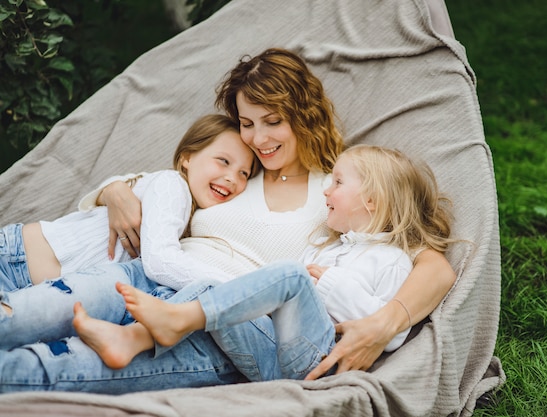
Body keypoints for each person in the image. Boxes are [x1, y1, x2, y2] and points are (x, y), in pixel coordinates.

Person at [0, 48, 456, 394]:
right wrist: (114, 189)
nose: (257, 138)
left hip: (222, 324)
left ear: (303, 113)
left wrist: (385, 323)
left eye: (272, 121)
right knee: (20, 316)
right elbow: (174, 180)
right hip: (142, 274)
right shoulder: (241, 168)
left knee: (48, 366)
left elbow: (430, 264)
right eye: (246, 122)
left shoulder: (343, 190)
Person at [74, 144, 455, 385]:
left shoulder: (392, 260)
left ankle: (167, 324)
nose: (327, 189)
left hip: (313, 362)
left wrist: (330, 287)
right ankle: (131, 338)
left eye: (337, 182)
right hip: (272, 348)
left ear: (371, 200)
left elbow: (395, 332)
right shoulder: (329, 247)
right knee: (214, 290)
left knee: (289, 275)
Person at [0, 113, 258, 349]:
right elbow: (160, 261)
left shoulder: (189, 214)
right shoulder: (172, 185)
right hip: (15, 264)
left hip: (41, 291)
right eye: (223, 161)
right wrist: (247, 290)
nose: (232, 178)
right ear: (187, 158)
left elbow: (129, 182)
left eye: (244, 173)